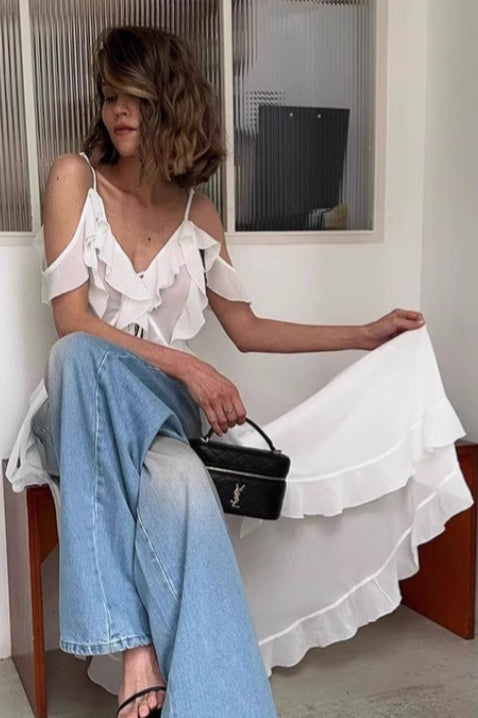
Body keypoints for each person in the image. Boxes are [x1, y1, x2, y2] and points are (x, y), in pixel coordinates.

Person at [6, 25, 472, 718]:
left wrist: (364, 333)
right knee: (110, 396)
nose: (117, 110)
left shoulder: (198, 213)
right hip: (76, 411)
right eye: (108, 95)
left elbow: (248, 330)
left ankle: (180, 679)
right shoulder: (75, 179)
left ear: (170, 101)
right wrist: (189, 367)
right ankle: (137, 647)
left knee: (177, 471)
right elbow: (72, 321)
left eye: (134, 95)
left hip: (159, 415)